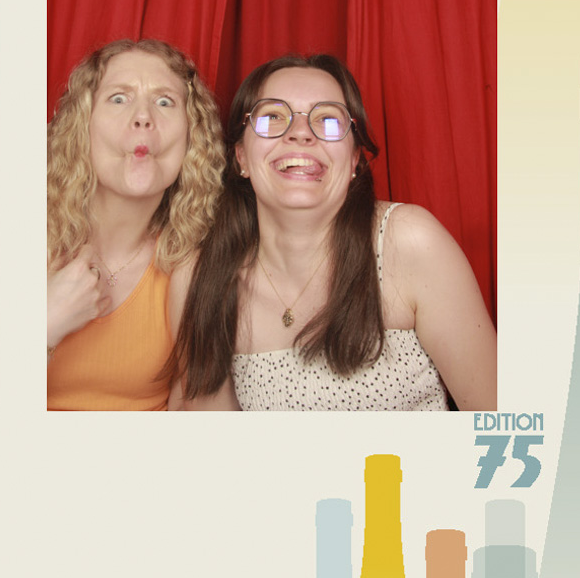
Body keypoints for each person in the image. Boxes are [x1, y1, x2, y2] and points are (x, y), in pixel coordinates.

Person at [170, 55, 497, 411]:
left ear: (354, 159)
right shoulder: (201, 278)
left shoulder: (410, 242)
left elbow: (504, 421)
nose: (300, 133)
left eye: (327, 120)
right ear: (241, 158)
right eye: (272, 117)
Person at [47, 39, 225, 410]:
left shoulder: (191, 269)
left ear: (192, 137)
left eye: (165, 102)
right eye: (119, 98)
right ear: (82, 127)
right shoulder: (32, 240)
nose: (144, 116)